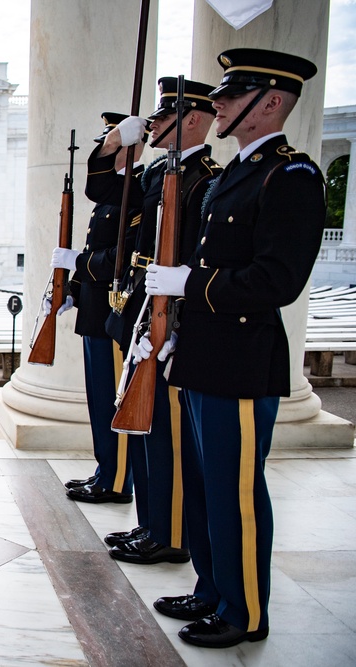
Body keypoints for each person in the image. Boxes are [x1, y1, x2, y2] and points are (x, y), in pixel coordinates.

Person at [145, 49, 324, 648]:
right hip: (203, 354)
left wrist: (189, 284)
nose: (215, 103)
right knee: (202, 483)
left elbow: (277, 280)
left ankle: (244, 611)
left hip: (243, 363)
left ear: (270, 102)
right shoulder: (229, 177)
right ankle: (211, 588)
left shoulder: (289, 176)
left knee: (236, 491)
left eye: (230, 94)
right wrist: (175, 332)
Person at [99, 77, 223, 567]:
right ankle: (153, 523)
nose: (152, 124)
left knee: (167, 431)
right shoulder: (156, 173)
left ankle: (170, 534)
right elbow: (105, 191)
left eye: (163, 117)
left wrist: (173, 317)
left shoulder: (206, 178)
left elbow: (196, 254)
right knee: (146, 422)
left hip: (169, 318)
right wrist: (114, 144)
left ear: (191, 119)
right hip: (142, 309)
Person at [52, 113, 142, 506]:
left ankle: (118, 477)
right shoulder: (114, 194)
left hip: (115, 309)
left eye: (111, 145)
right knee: (98, 396)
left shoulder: (138, 191)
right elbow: (95, 246)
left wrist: (79, 265)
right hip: (95, 308)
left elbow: (127, 256)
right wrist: (72, 287)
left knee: (112, 396)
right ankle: (107, 469)